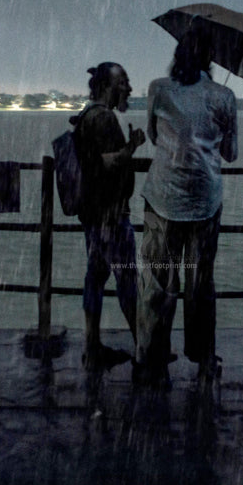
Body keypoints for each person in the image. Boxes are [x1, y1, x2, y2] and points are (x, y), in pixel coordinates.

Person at [135, 25, 238, 386]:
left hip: (163, 196)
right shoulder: (224, 96)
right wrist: (218, 131)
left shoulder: (158, 90)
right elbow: (231, 154)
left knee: (158, 282)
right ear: (210, 58)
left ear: (178, 54)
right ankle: (204, 357)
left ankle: (152, 358)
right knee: (200, 283)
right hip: (205, 202)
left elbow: (152, 135)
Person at [73, 62, 146, 370]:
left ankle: (92, 348)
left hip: (94, 214)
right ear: (107, 86)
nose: (128, 88)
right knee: (127, 280)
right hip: (111, 216)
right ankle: (145, 350)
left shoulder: (88, 115)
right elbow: (106, 163)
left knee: (96, 278)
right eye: (123, 83)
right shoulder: (103, 118)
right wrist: (131, 147)